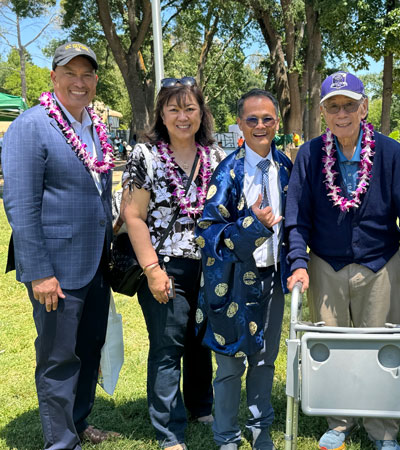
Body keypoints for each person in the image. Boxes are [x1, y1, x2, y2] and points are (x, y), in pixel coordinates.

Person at [285, 71, 400, 450]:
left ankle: (382, 429)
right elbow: (297, 217)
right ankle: (339, 421)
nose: (342, 114)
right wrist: (298, 262)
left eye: (349, 105)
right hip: (325, 263)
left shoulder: (390, 151)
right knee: (330, 345)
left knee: (381, 346)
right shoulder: (310, 154)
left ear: (364, 107)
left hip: (380, 262)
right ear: (323, 113)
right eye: (333, 107)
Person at [2, 41, 119, 449]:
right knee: (58, 358)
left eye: (87, 74)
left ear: (96, 81)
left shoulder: (94, 127)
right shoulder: (31, 126)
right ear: (53, 77)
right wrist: (39, 272)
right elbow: (20, 205)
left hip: (95, 263)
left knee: (88, 348)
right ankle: (61, 442)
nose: (79, 82)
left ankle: (79, 421)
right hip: (56, 269)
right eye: (70, 73)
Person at [120, 76, 225, 450]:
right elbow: (133, 216)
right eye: (174, 108)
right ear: (161, 114)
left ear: (201, 113)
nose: (183, 116)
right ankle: (169, 430)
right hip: (164, 264)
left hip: (207, 267)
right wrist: (152, 270)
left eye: (190, 108)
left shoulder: (214, 156)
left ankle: (202, 406)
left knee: (200, 341)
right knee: (168, 346)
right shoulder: (145, 155)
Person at [195, 88, 292, 450]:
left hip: (273, 280)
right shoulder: (227, 172)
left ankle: (260, 429)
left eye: (267, 118)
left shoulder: (286, 167)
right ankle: (226, 436)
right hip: (232, 282)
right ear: (239, 123)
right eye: (252, 119)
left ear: (277, 122)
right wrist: (252, 225)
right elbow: (207, 233)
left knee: (265, 359)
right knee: (231, 364)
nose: (260, 126)